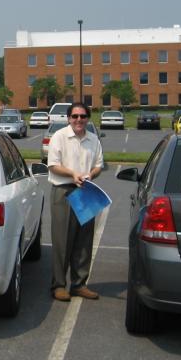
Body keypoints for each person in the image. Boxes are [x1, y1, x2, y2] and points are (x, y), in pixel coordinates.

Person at [47, 102, 104, 302]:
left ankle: (79, 284)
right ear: (68, 118)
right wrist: (73, 174)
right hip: (64, 191)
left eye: (82, 116)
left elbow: (99, 165)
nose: (79, 120)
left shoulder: (94, 140)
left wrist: (91, 174)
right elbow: (53, 165)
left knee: (84, 240)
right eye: (74, 116)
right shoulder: (59, 137)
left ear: (88, 118)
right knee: (63, 240)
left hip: (86, 191)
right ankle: (59, 285)